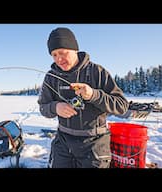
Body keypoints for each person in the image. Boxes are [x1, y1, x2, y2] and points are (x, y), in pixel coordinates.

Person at [37, 27, 129, 168]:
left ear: (74, 49)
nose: (58, 59)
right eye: (54, 55)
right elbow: (43, 107)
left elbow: (121, 106)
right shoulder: (51, 77)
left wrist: (93, 95)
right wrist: (55, 107)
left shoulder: (97, 72)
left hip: (94, 143)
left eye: (62, 53)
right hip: (63, 142)